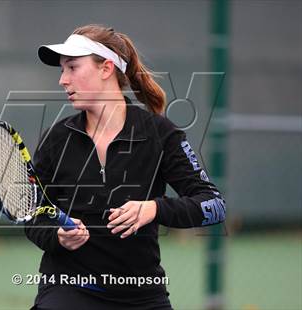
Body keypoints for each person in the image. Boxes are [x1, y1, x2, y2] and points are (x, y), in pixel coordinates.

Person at [25, 24, 226, 310]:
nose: (63, 80)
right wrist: (56, 236)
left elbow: (214, 205)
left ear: (106, 68)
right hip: (67, 290)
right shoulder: (57, 139)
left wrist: (154, 209)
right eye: (62, 70)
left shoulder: (160, 134)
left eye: (72, 67)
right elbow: (34, 214)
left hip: (141, 295)